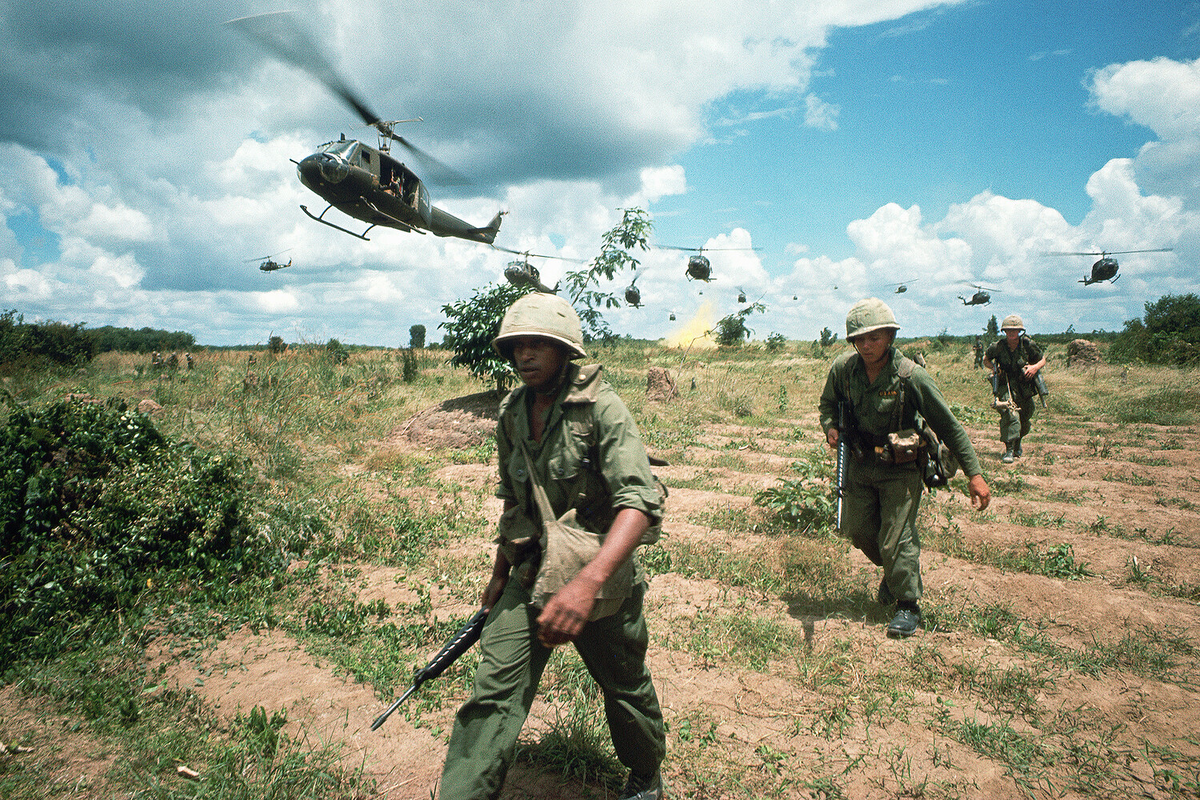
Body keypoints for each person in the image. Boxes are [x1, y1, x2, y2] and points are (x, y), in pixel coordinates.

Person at [438, 293, 666, 800]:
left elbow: (640, 503)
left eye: (539, 344)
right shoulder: (512, 412)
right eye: (517, 345)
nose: (525, 355)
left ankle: (646, 774)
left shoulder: (603, 409)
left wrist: (587, 585)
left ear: (566, 350)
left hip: (598, 576)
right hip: (530, 573)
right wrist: (499, 575)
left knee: (624, 688)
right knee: (492, 695)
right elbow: (515, 501)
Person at [819, 299, 991, 638]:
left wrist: (975, 475)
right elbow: (828, 404)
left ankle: (907, 604)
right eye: (859, 340)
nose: (866, 346)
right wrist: (830, 427)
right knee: (859, 532)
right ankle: (898, 572)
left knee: (896, 539)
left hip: (901, 468)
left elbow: (950, 426)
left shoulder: (911, 376)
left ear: (889, 336)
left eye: (874, 338)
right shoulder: (843, 369)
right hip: (859, 463)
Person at [982, 314, 1046, 464]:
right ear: (1004, 331)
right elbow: (985, 359)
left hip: (1024, 385)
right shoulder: (997, 346)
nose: (1012, 333)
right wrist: (994, 368)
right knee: (1010, 415)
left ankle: (1017, 443)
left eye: (1015, 330)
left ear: (1020, 331)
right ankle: (1009, 449)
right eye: (1009, 330)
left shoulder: (1027, 344)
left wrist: (1034, 367)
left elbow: (1042, 359)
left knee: (1025, 416)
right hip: (1006, 384)